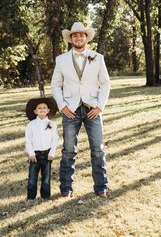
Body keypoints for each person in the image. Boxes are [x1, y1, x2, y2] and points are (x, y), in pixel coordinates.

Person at [51, 22, 110, 198]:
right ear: (71, 39)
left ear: (86, 37)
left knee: (98, 149)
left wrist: (100, 106)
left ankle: (101, 187)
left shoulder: (97, 57)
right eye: (75, 35)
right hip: (71, 109)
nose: (78, 38)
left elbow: (106, 83)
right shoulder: (61, 60)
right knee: (69, 149)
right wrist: (62, 106)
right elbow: (55, 85)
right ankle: (66, 188)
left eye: (81, 35)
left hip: (92, 108)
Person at [25, 97, 59, 200]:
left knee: (46, 177)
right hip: (35, 154)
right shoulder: (31, 125)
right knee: (32, 177)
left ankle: (45, 196)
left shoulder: (52, 124)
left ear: (48, 110)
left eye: (44, 107)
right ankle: (31, 197)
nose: (42, 109)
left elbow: (55, 139)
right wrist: (31, 153)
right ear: (35, 111)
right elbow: (28, 140)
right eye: (39, 108)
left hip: (47, 154)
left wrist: (52, 153)